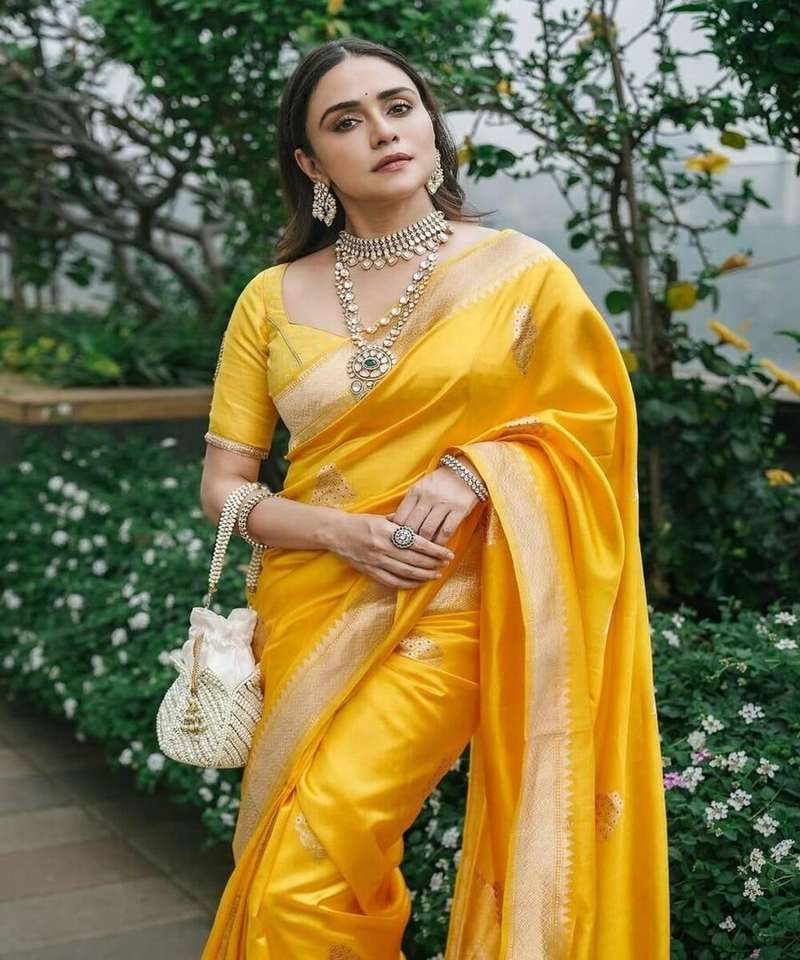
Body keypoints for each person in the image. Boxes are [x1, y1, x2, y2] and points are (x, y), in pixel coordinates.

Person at [198, 35, 670, 960]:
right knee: (300, 867)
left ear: (429, 124)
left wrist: (477, 468)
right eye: (345, 121)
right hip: (304, 606)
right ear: (311, 163)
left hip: (445, 612)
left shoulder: (520, 275)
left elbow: (594, 426)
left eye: (398, 106)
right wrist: (338, 533)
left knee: (303, 874)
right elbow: (224, 485)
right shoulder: (268, 298)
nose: (381, 131)